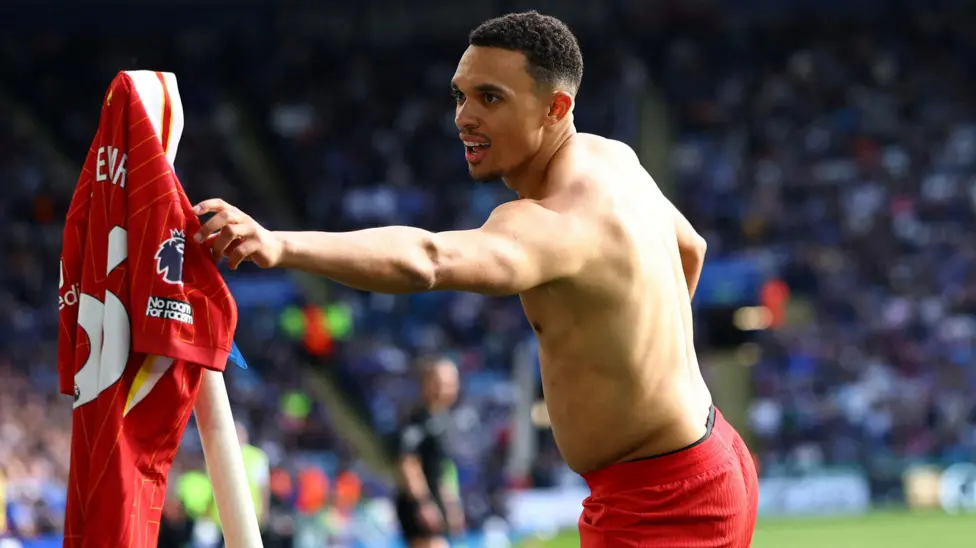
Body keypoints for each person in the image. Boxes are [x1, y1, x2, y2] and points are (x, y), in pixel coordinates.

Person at [192, 10, 759, 547]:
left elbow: (429, 258)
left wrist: (280, 243)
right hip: (705, 457)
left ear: (555, 108)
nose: (464, 116)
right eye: (461, 94)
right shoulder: (616, 159)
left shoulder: (550, 223)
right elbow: (693, 246)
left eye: (491, 98)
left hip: (663, 499)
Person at [394, 357, 465, 548]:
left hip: (435, 501)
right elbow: (408, 463)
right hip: (418, 504)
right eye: (441, 383)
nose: (447, 389)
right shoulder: (418, 420)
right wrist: (423, 503)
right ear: (427, 384)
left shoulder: (443, 419)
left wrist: (451, 504)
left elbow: (443, 468)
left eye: (451, 384)